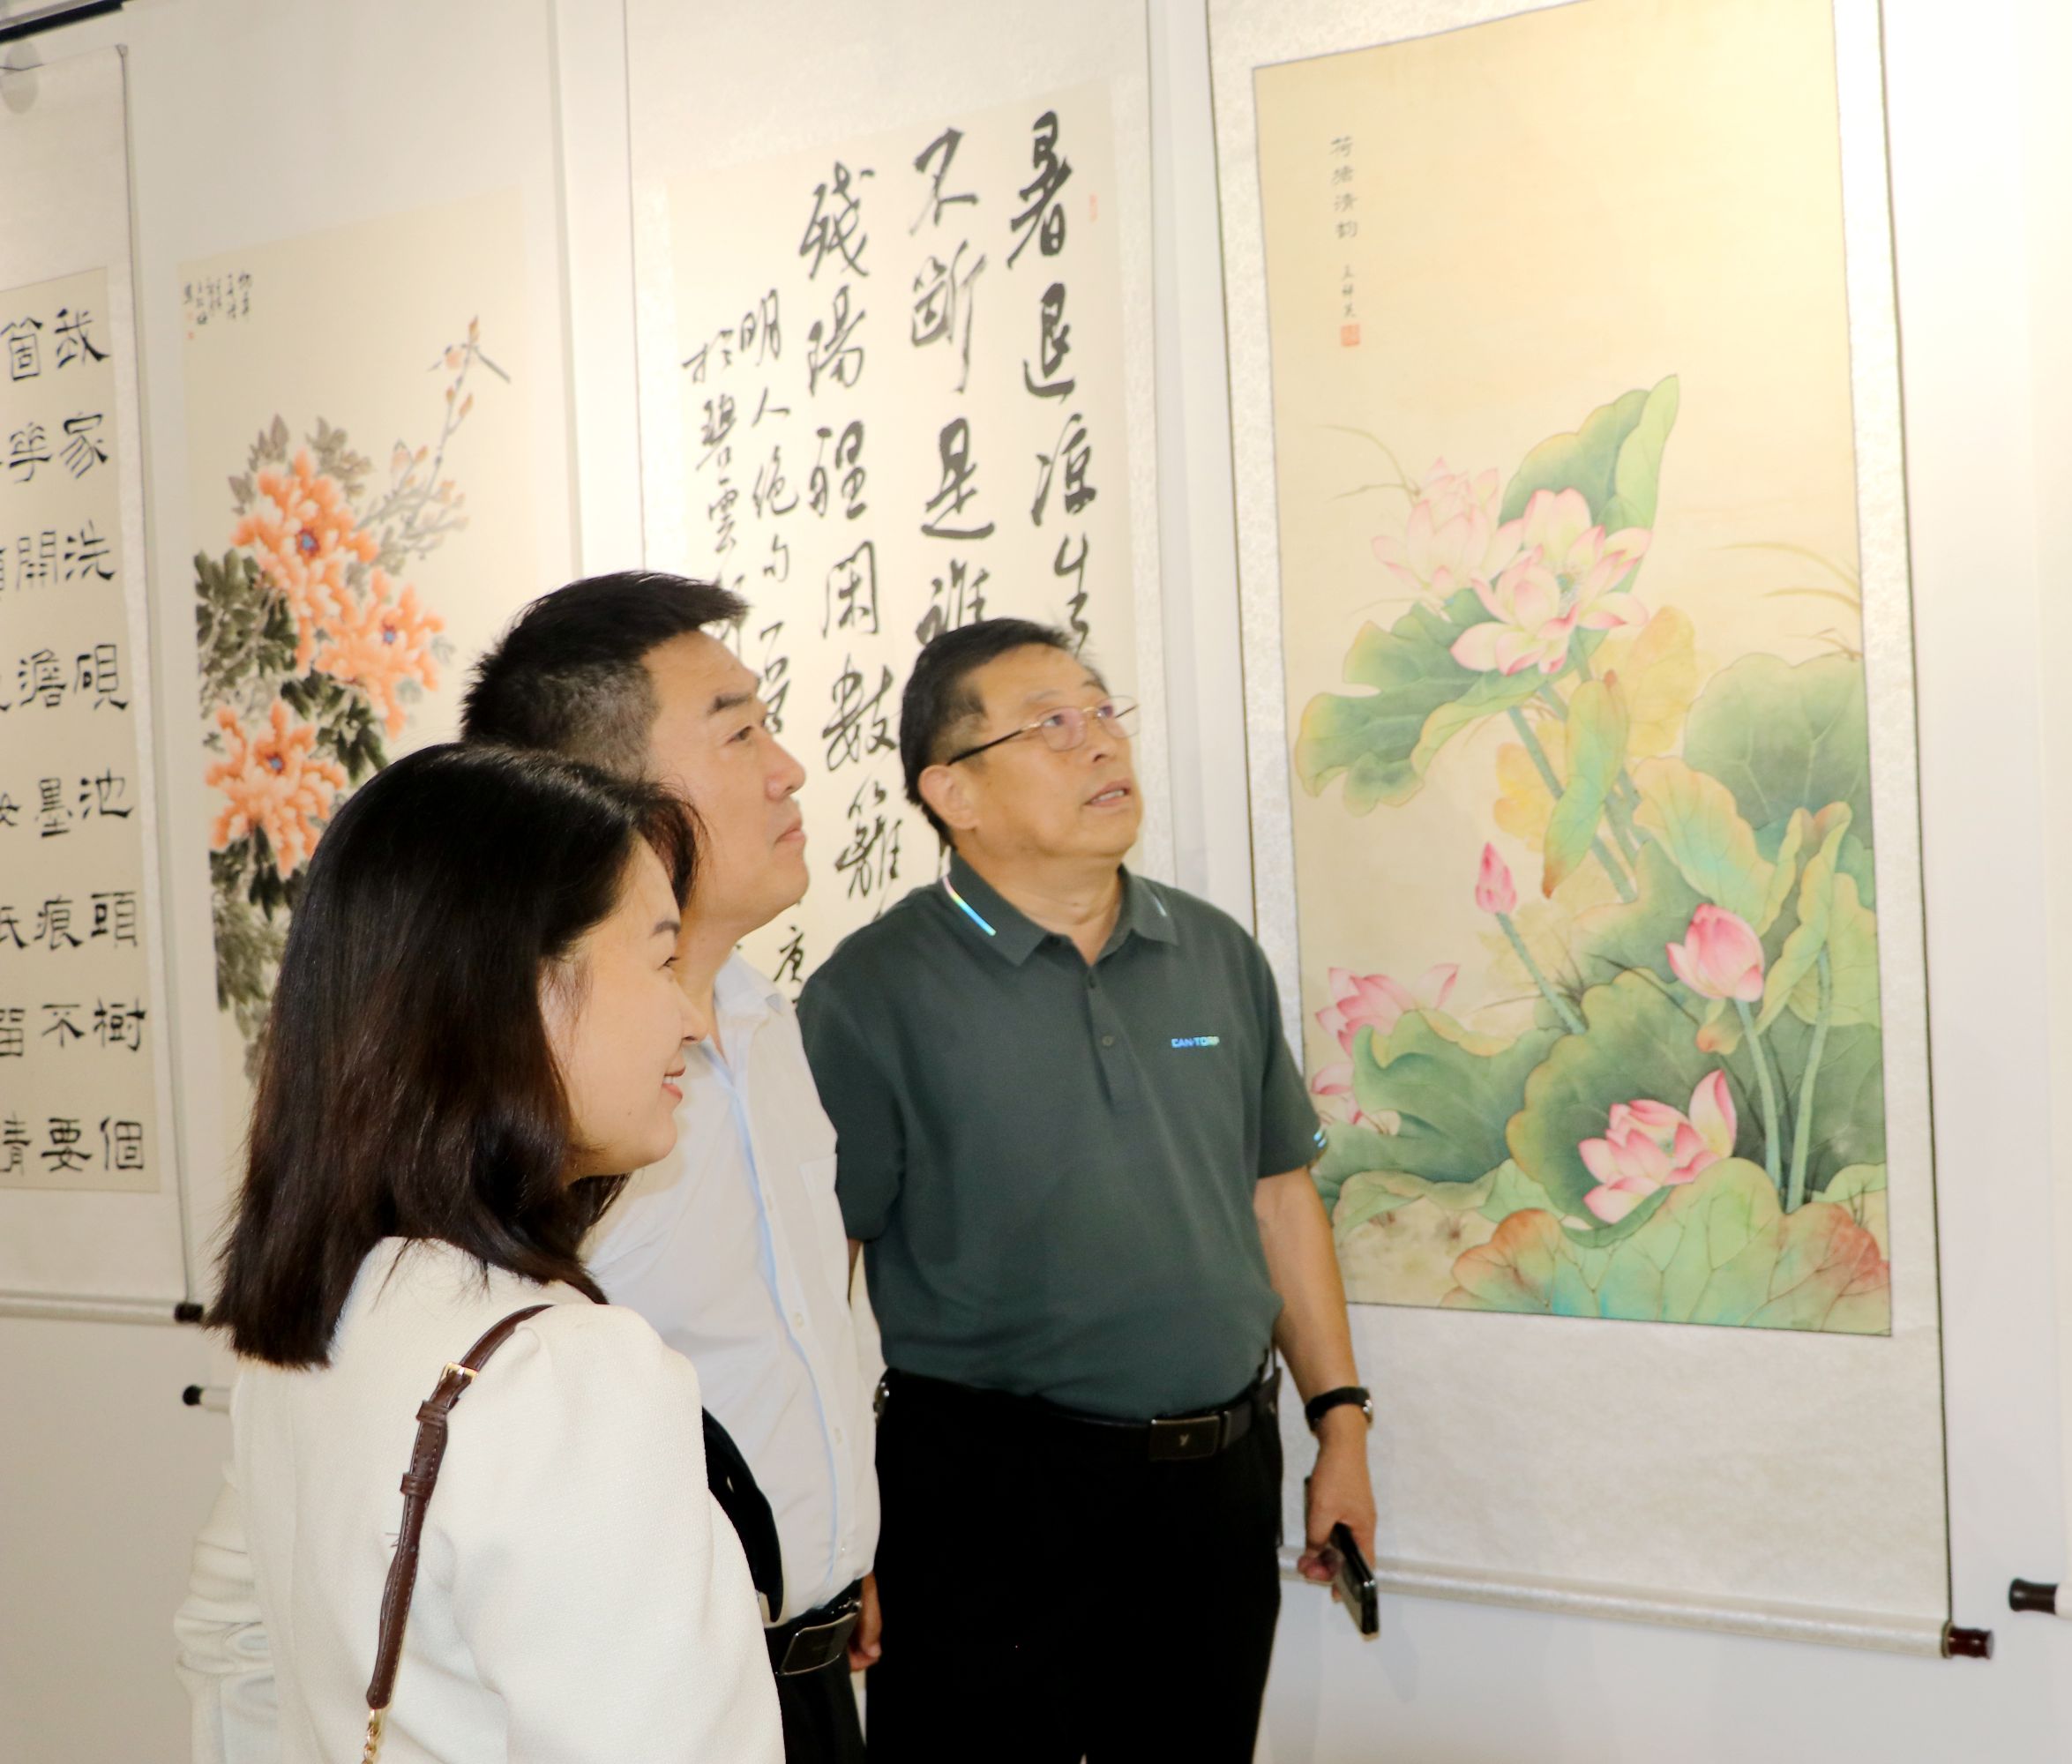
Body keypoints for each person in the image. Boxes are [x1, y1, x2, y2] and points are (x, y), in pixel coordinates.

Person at [798, 619, 1379, 1762]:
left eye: (1105, 712)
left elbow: (1278, 1198)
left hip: (1219, 1485)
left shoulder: (1213, 951)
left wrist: (1341, 1425)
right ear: (953, 792)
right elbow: (825, 1274)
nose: (1101, 742)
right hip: (987, 1496)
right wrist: (836, 1527)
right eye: (1051, 725)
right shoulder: (872, 991)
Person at [171, 744, 778, 1763]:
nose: (690, 1017)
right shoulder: (567, 1372)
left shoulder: (320, 1313)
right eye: (662, 958)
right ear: (518, 987)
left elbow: (232, 1653)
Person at [458, 572, 879, 1761]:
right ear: (606, 797)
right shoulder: (533, 1098)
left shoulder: (762, 1019)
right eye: (739, 734)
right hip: (647, 1702)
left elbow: (806, 1314)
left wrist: (838, 1536)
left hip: (810, 1662)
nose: (789, 769)